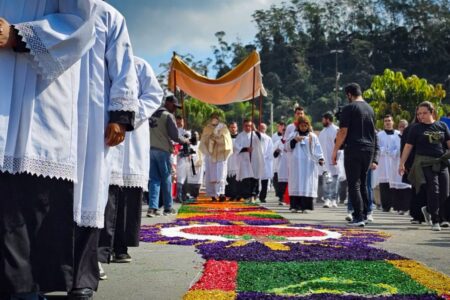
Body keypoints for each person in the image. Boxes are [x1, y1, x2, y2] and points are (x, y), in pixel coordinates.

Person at [0, 2, 97, 299]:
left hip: (36, 92)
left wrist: (16, 35)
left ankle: (25, 288)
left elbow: (81, 23)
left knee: (25, 200)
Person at [98, 57, 162, 273]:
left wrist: (129, 115)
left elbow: (154, 94)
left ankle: (121, 246)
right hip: (103, 130)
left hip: (132, 133)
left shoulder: (140, 65)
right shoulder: (98, 62)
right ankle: (99, 250)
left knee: (127, 192)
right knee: (104, 193)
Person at [400, 101, 450, 231]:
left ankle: (429, 210)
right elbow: (408, 146)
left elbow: (448, 143)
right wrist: (402, 163)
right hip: (424, 163)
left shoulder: (442, 126)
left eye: (424, 113)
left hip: (442, 163)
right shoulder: (416, 128)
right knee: (434, 190)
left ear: (432, 112)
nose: (421, 116)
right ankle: (435, 220)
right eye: (419, 114)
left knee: (444, 192)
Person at [332, 83, 377, 227]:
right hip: (369, 149)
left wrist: (335, 151)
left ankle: (358, 217)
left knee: (354, 184)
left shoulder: (349, 108)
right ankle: (364, 214)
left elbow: (343, 132)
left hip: (354, 148)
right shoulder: (370, 109)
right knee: (363, 183)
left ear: (349, 94)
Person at [148, 95, 190, 216]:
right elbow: (175, 136)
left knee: (154, 180)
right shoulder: (168, 116)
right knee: (166, 179)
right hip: (163, 150)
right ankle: (168, 207)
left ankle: (152, 208)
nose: (175, 109)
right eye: (174, 106)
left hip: (151, 150)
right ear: (168, 103)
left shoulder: (152, 113)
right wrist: (185, 141)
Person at [286, 116, 325, 213]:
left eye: (305, 125)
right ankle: (295, 206)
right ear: (298, 126)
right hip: (296, 165)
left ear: (308, 126)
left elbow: (317, 148)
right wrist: (295, 140)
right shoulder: (293, 135)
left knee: (307, 184)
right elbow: (286, 147)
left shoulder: (313, 136)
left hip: (308, 165)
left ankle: (305, 207)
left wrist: (320, 158)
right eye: (301, 126)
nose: (303, 127)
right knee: (296, 184)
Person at [200, 113, 233, 202]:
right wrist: (211, 138)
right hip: (210, 154)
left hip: (220, 153)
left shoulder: (223, 128)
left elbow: (227, 140)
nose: (214, 119)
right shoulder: (207, 128)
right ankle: (212, 194)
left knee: (221, 174)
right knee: (211, 174)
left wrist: (217, 138)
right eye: (213, 118)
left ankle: (221, 193)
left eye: (216, 118)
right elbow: (204, 140)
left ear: (218, 119)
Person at [235, 120, 264, 203]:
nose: (248, 127)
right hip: (244, 160)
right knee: (246, 179)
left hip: (254, 159)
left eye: (249, 126)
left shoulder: (255, 135)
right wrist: (245, 149)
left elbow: (260, 142)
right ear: (243, 126)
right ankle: (247, 196)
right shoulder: (240, 136)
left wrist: (257, 132)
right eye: (246, 125)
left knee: (254, 177)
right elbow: (236, 147)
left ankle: (253, 195)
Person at [376, 115, 400, 212]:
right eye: (385, 121)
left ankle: (396, 205)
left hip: (395, 161)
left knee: (395, 184)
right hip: (383, 161)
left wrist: (393, 152)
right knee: (384, 185)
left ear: (393, 122)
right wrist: (384, 150)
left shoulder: (398, 134)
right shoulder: (379, 135)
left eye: (389, 120)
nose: (387, 122)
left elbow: (400, 146)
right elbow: (377, 147)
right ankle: (386, 206)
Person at [318, 112, 340, 208]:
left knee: (334, 180)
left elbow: (339, 145)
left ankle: (334, 199)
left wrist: (337, 157)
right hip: (324, 161)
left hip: (334, 159)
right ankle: (327, 199)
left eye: (323, 119)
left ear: (327, 119)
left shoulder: (336, 130)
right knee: (326, 180)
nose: (322, 121)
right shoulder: (322, 132)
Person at [185, 131, 204, 201]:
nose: (195, 136)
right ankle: (190, 194)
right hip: (190, 166)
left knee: (197, 182)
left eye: (196, 135)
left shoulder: (201, 144)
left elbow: (204, 154)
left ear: (198, 136)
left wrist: (201, 161)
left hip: (199, 166)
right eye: (194, 135)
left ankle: (195, 195)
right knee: (190, 180)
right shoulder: (188, 145)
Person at [258, 123, 274, 203]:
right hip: (256, 160)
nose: (262, 129)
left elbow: (270, 150)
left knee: (265, 181)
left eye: (263, 128)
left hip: (265, 161)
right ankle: (254, 195)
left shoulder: (268, 138)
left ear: (266, 129)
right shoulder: (254, 137)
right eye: (260, 127)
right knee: (256, 179)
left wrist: (265, 157)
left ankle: (262, 196)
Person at [272, 121, 286, 204]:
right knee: (279, 183)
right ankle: (281, 198)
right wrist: (277, 151)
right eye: (283, 132)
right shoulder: (278, 142)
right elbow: (273, 155)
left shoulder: (291, 142)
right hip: (279, 166)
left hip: (288, 167)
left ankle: (286, 197)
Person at [225, 121, 240, 200]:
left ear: (237, 128)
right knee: (229, 177)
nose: (233, 129)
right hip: (229, 159)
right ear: (229, 128)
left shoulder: (240, 137)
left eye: (234, 127)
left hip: (237, 159)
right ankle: (230, 194)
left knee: (236, 178)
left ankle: (237, 194)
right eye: (231, 127)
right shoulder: (226, 137)